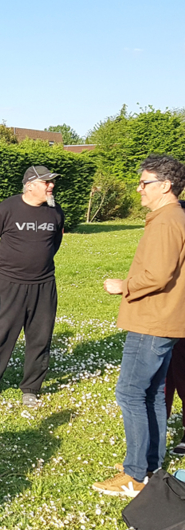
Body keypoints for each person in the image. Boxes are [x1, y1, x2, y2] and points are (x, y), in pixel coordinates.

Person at [93, 154, 185, 496]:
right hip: (167, 319)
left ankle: (135, 475)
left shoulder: (165, 221)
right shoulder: (175, 216)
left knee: (131, 392)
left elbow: (159, 274)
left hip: (152, 318)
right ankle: (149, 464)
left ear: (166, 185)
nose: (139, 189)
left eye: (145, 183)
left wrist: (124, 285)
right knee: (152, 394)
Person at [0, 166, 65, 408]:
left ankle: (31, 388)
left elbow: (55, 243)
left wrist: (37, 266)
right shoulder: (7, 208)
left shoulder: (55, 211)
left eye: (52, 182)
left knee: (40, 338)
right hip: (9, 285)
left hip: (44, 285)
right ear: (30, 185)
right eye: (47, 182)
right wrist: (6, 268)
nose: (51, 186)